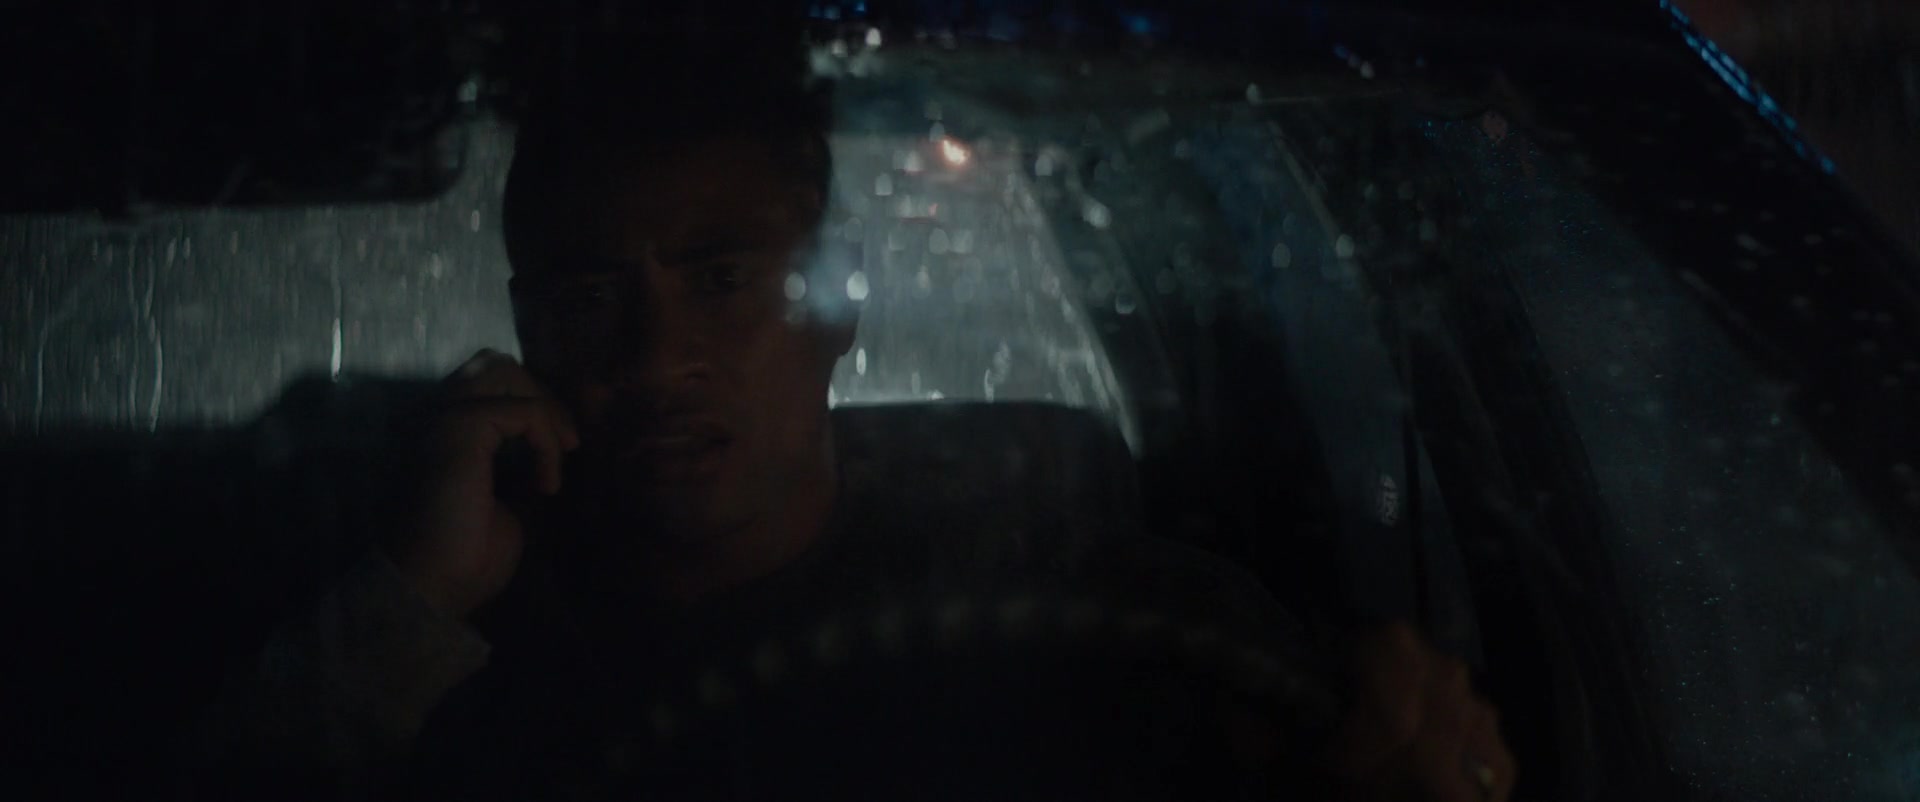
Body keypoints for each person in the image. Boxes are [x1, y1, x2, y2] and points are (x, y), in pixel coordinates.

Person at [185, 32, 1515, 802]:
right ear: (527, 337)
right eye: (589, 299)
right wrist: (413, 599)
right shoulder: (458, 663)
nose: (658, 356)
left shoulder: (1096, 620)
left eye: (721, 280)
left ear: (835, 305)